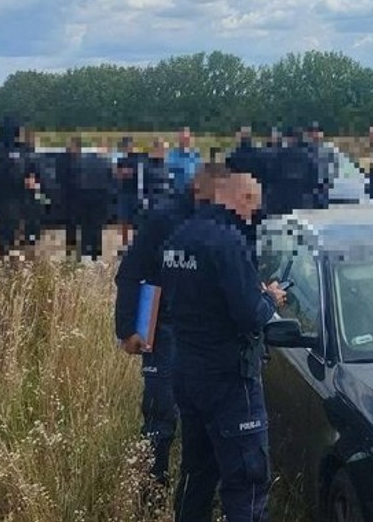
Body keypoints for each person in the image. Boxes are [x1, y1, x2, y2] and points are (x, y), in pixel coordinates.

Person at [157, 164, 287, 522]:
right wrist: (270, 299)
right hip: (229, 381)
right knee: (246, 482)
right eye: (254, 207)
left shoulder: (178, 238)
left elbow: (183, 296)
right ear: (242, 198)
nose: (254, 217)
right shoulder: (228, 241)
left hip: (187, 372)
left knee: (196, 473)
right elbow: (249, 315)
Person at [113, 178, 198, 513]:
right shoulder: (164, 220)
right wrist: (128, 330)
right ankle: (150, 499)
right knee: (160, 417)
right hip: (165, 330)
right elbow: (130, 274)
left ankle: (193, 500)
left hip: (207, 335)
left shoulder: (225, 222)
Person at [0, 117, 31, 259]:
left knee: (10, 228)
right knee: (7, 229)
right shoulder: (0, 148)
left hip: (10, 194)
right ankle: (5, 255)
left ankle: (8, 254)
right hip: (6, 194)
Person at [266, 126, 317, 216]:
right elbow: (313, 179)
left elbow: (270, 177)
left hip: (280, 200)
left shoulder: (278, 156)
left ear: (288, 139)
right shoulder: (308, 157)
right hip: (301, 200)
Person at [116, 137, 149, 248]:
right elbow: (118, 174)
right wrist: (126, 172)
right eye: (125, 146)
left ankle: (137, 244)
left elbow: (136, 173)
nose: (127, 148)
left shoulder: (138, 158)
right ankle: (124, 244)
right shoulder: (121, 160)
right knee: (124, 220)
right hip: (124, 193)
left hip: (136, 193)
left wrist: (127, 172)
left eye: (129, 145)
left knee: (137, 220)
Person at [305, 122, 336, 209]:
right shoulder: (305, 149)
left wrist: (330, 179)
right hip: (309, 186)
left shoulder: (329, 149)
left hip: (323, 184)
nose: (315, 135)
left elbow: (335, 165)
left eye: (318, 132)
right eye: (312, 132)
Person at [167, 127, 203, 197]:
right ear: (179, 139)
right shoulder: (172, 154)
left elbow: (200, 171)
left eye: (187, 138)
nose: (185, 141)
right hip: (177, 190)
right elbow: (170, 171)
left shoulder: (195, 155)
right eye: (183, 138)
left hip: (193, 191)